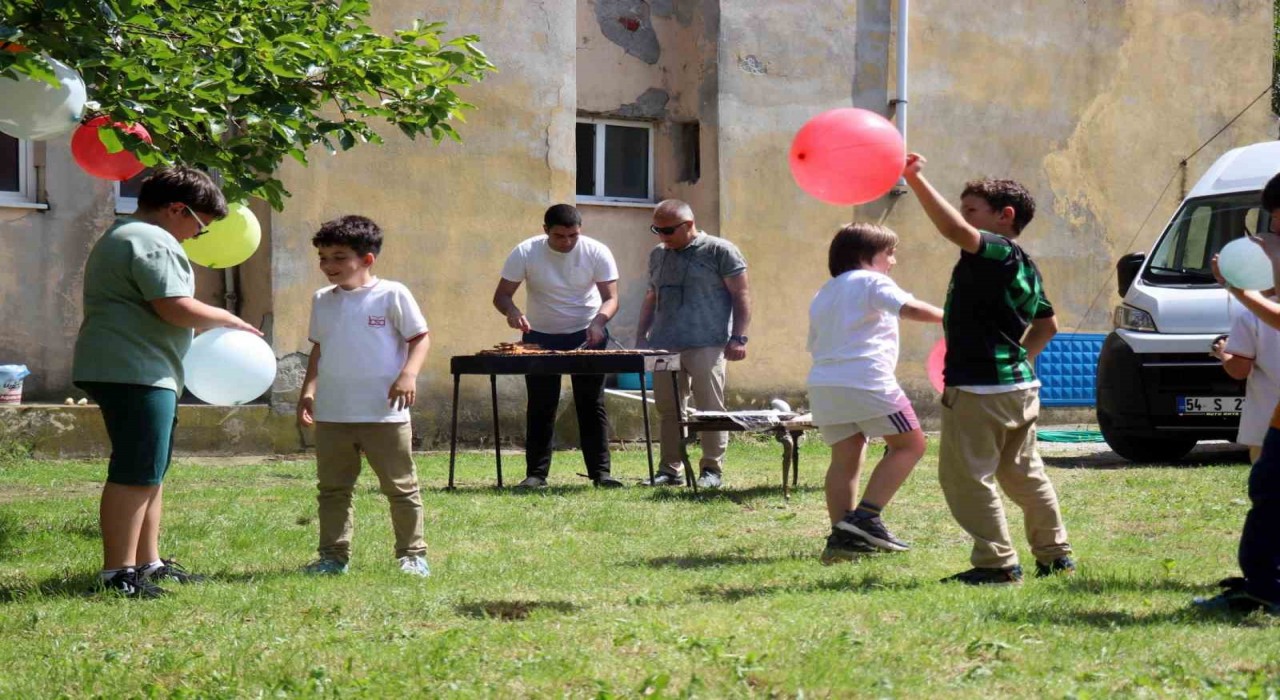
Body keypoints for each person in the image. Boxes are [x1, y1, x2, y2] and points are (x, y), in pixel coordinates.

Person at [73, 166, 260, 598]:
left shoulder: (129, 234)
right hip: (134, 370)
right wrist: (230, 318)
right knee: (135, 472)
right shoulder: (152, 240)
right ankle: (117, 574)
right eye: (199, 226)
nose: (196, 237)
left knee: (149, 471)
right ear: (177, 209)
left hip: (137, 369)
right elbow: (174, 307)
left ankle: (147, 563)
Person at [903, 153, 1074, 586]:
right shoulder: (1026, 267)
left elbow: (953, 231)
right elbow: (1047, 325)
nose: (966, 220)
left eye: (973, 211)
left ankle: (996, 564)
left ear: (1005, 216)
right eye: (966, 211)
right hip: (1018, 386)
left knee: (966, 478)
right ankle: (1055, 555)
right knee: (1023, 473)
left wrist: (914, 179)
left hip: (980, 389)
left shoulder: (995, 251)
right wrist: (1022, 360)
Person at [296, 215, 432, 577]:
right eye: (323, 258)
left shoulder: (392, 294)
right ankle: (332, 556)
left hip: (384, 413)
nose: (329, 266)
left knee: (400, 488)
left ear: (367, 259)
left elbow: (420, 338)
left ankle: (412, 555)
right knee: (333, 490)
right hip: (333, 414)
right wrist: (309, 390)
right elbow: (319, 348)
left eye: (339, 257)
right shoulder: (322, 300)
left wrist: (408, 375)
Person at [807, 223, 943, 564]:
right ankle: (866, 518)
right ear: (866, 256)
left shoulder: (825, 291)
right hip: (866, 380)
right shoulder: (872, 280)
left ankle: (842, 540)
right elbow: (908, 308)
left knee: (846, 457)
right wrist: (955, 317)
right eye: (889, 253)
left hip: (824, 384)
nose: (893, 261)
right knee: (911, 444)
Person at [492, 204, 623, 489]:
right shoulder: (526, 251)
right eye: (559, 236)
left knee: (591, 403)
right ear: (545, 231)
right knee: (541, 404)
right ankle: (536, 475)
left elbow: (611, 298)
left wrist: (599, 323)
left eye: (573, 236)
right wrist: (512, 312)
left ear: (580, 230)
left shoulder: (596, 251)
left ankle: (601, 474)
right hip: (540, 336)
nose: (567, 242)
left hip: (587, 334)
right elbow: (501, 296)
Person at [1200, 173, 1280, 615]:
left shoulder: (1252, 309)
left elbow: (1242, 363)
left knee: (1269, 496)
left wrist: (1239, 290)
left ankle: (1264, 586)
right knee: (1268, 492)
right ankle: (1263, 582)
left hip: (1271, 421)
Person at [637, 199, 751, 489]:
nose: (662, 237)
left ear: (689, 225)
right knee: (669, 409)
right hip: (664, 345)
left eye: (668, 231)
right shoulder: (657, 255)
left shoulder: (719, 250)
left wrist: (738, 337)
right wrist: (641, 338)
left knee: (710, 408)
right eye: (657, 230)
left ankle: (711, 470)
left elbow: (741, 295)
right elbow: (651, 297)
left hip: (707, 342)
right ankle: (669, 470)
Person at [1211, 294, 1280, 464]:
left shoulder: (1252, 316)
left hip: (1269, 426)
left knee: (1270, 487)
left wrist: (1224, 353)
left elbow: (1239, 370)